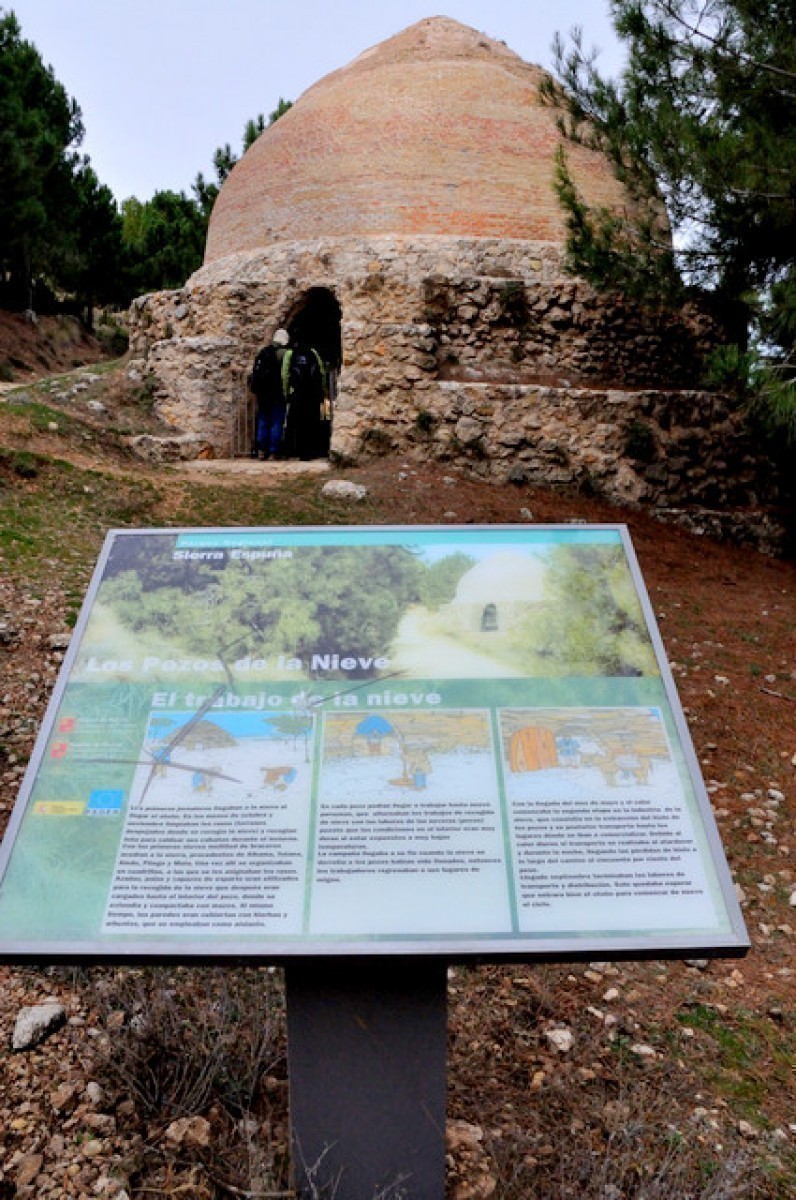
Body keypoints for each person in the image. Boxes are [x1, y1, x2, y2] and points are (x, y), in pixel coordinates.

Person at [248, 329, 291, 459]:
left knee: (263, 420)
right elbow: (285, 374)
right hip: (277, 392)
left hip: (262, 394)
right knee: (276, 421)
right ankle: (273, 450)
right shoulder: (284, 354)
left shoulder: (263, 352)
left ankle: (261, 449)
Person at [281, 341, 327, 459]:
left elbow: (284, 374)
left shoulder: (290, 353)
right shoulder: (313, 352)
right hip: (312, 394)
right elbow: (321, 371)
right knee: (311, 422)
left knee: (294, 423)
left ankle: (292, 451)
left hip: (297, 393)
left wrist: (286, 392)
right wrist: (321, 389)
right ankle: (311, 451)